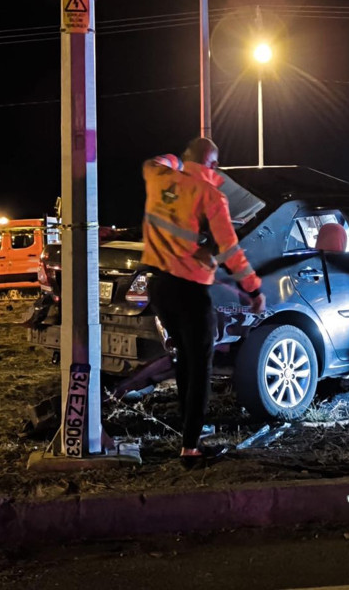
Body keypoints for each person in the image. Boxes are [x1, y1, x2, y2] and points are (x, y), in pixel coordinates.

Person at [140, 137, 266, 464]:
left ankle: (189, 431)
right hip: (190, 291)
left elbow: (154, 162)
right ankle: (191, 447)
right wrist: (254, 290)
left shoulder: (159, 178)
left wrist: (178, 161)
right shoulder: (210, 195)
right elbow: (231, 252)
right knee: (199, 366)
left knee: (185, 359)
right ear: (213, 164)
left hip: (158, 287)